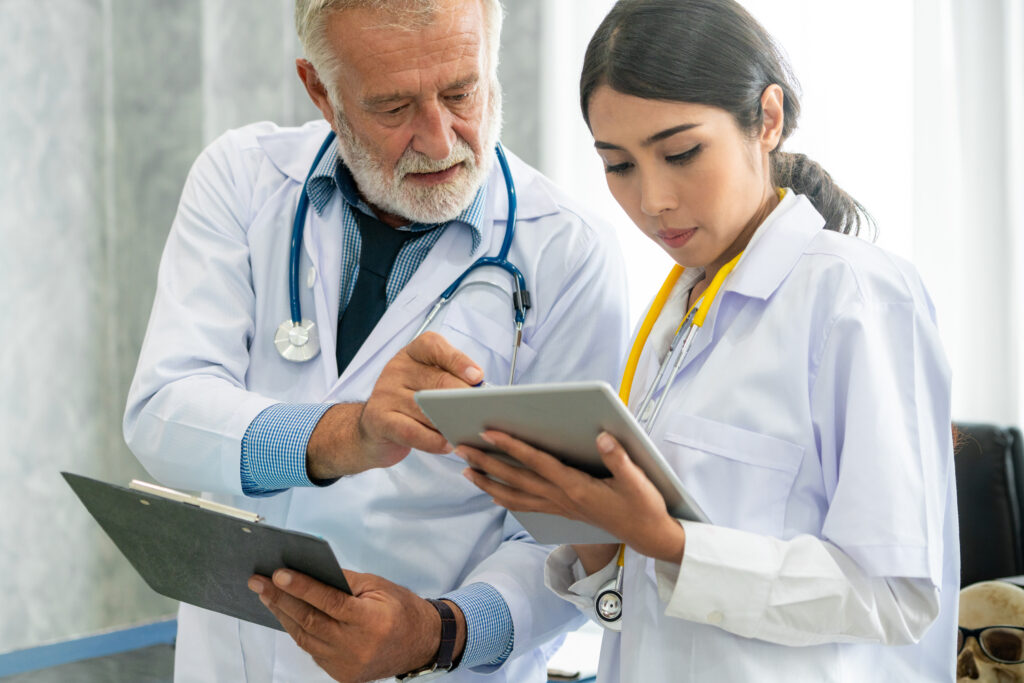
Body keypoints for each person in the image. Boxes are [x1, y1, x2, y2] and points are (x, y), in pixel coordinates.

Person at [122, 0, 630, 680]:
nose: (440, 137)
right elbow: (164, 411)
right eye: (393, 107)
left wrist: (436, 631)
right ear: (320, 91)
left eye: (462, 92)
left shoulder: (568, 255)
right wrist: (343, 436)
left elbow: (575, 542)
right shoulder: (242, 182)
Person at [456, 0, 960, 680]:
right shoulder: (673, 318)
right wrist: (587, 523)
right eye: (619, 165)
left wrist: (666, 541)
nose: (653, 199)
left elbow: (898, 595)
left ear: (768, 119)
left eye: (681, 152)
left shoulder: (857, 295)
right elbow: (652, 608)